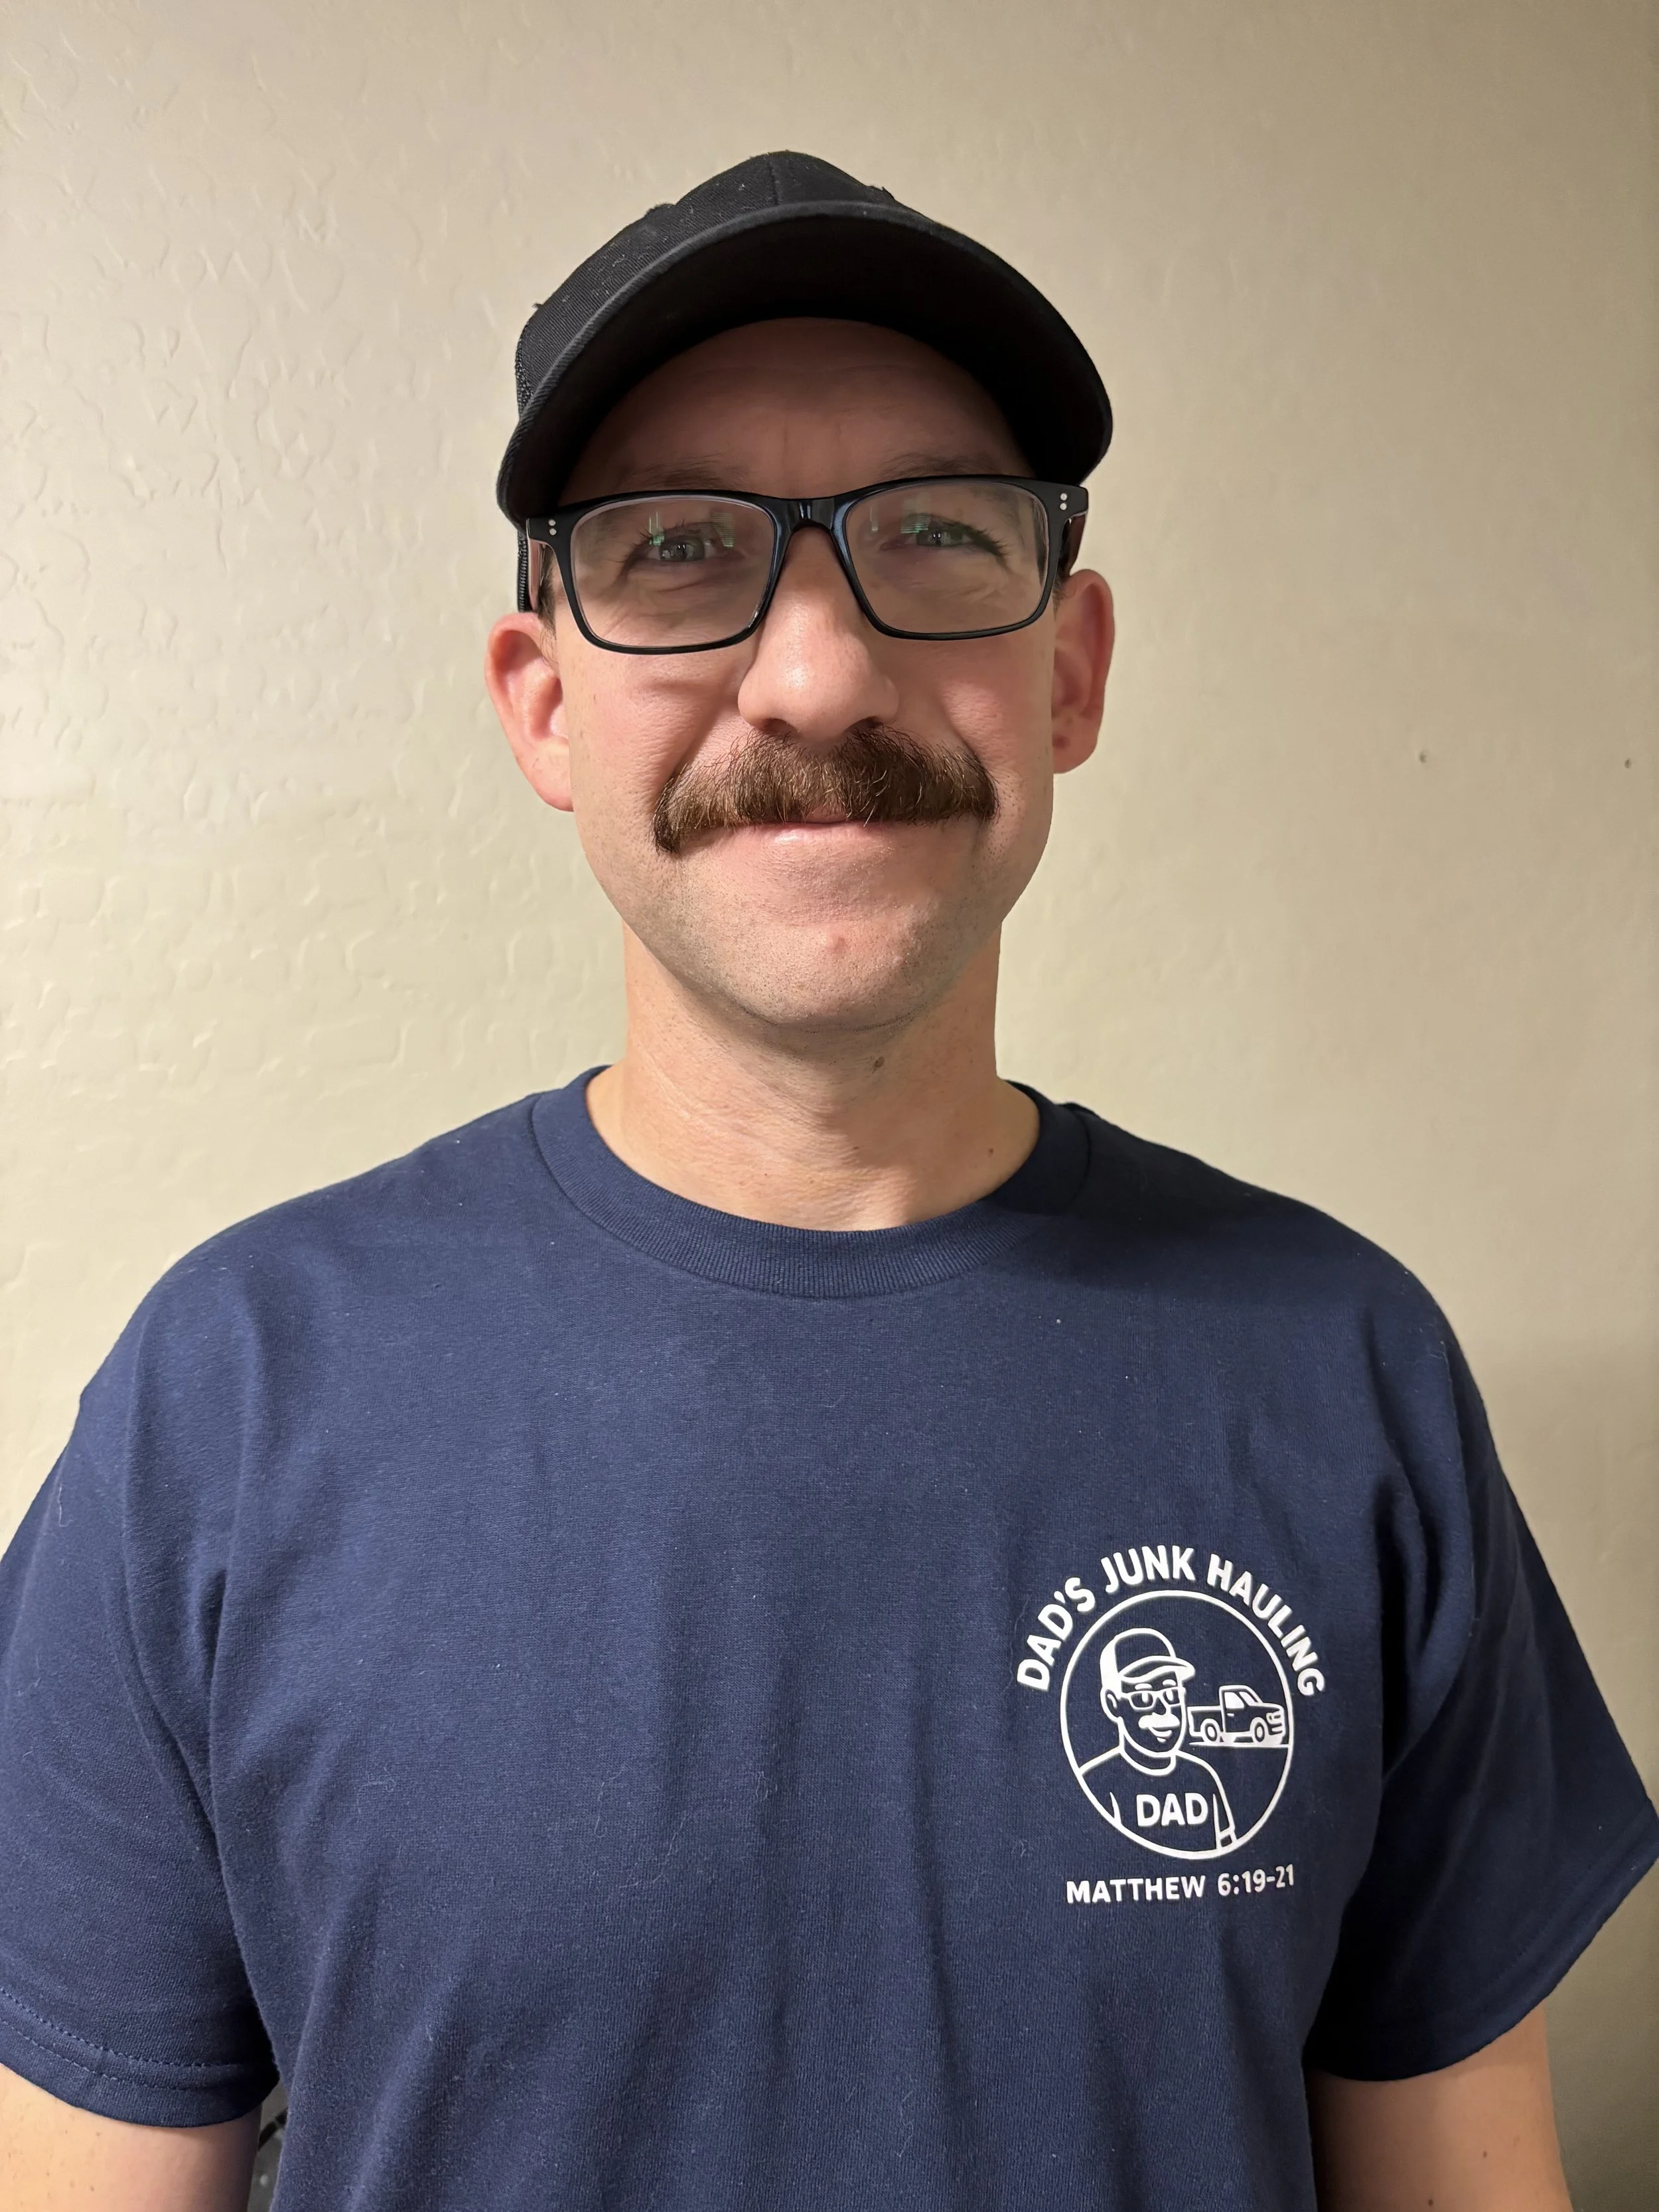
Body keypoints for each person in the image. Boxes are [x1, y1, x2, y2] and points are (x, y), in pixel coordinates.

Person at [0, 151, 1652, 2212]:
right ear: (543, 705)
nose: (816, 674)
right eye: (678, 549)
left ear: (1067, 671)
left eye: (933, 536)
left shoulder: (1338, 1367)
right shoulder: (230, 1402)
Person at [1077, 1627, 1238, 1852]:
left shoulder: (1203, 1776)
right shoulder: (1098, 1784)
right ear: (1113, 1704)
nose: (1164, 1710)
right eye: (1144, 1698)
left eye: (1172, 1694)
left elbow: (1227, 1848)